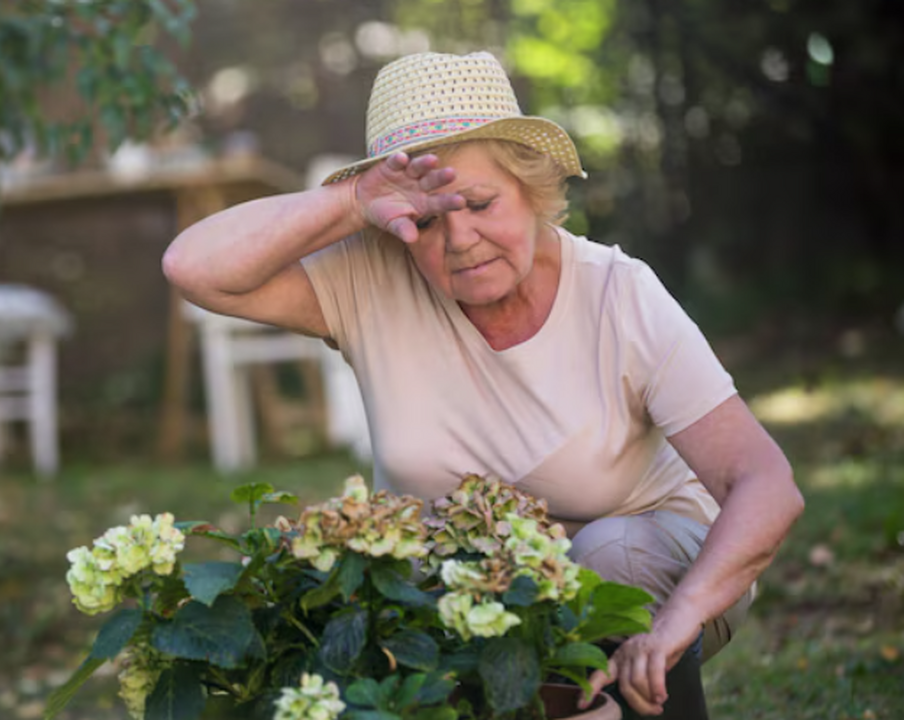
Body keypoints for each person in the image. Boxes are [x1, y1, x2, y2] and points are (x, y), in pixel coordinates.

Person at [163, 51, 803, 717]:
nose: (459, 238)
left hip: (650, 573)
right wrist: (353, 202)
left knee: (609, 556)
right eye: (430, 218)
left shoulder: (619, 295)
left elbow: (765, 483)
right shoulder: (370, 279)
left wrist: (680, 621)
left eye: (478, 202)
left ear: (532, 189)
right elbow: (194, 267)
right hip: (469, 604)